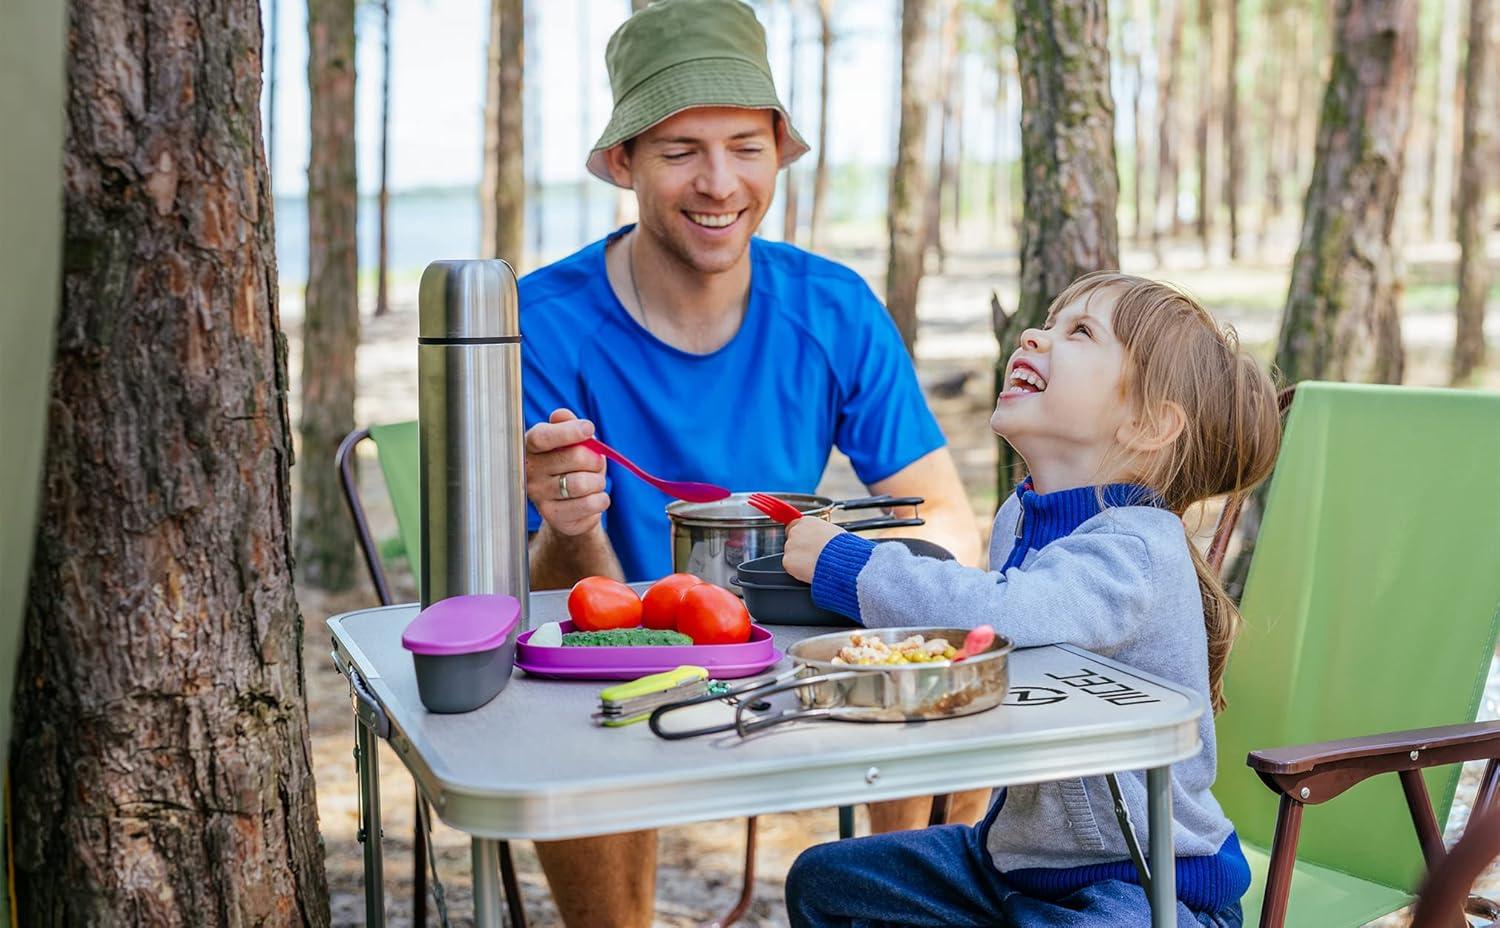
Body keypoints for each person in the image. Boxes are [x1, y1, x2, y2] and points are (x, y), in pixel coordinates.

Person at [517, 1, 984, 924]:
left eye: (745, 144)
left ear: (779, 149)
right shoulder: (541, 321)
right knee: (572, 729)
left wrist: (862, 596)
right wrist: (572, 522)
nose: (719, 182)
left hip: (799, 652)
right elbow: (546, 599)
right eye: (680, 150)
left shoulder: (833, 306)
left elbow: (946, 523)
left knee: (958, 679)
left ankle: (894, 907)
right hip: (617, 665)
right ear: (623, 163)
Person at [778, 271, 1283, 927]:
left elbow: (1006, 613)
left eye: (1079, 332)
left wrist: (855, 567)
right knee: (828, 883)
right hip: (1014, 865)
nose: (1035, 336)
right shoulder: (1023, 514)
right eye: (1048, 320)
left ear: (1149, 424)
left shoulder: (1134, 548)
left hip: (1146, 885)